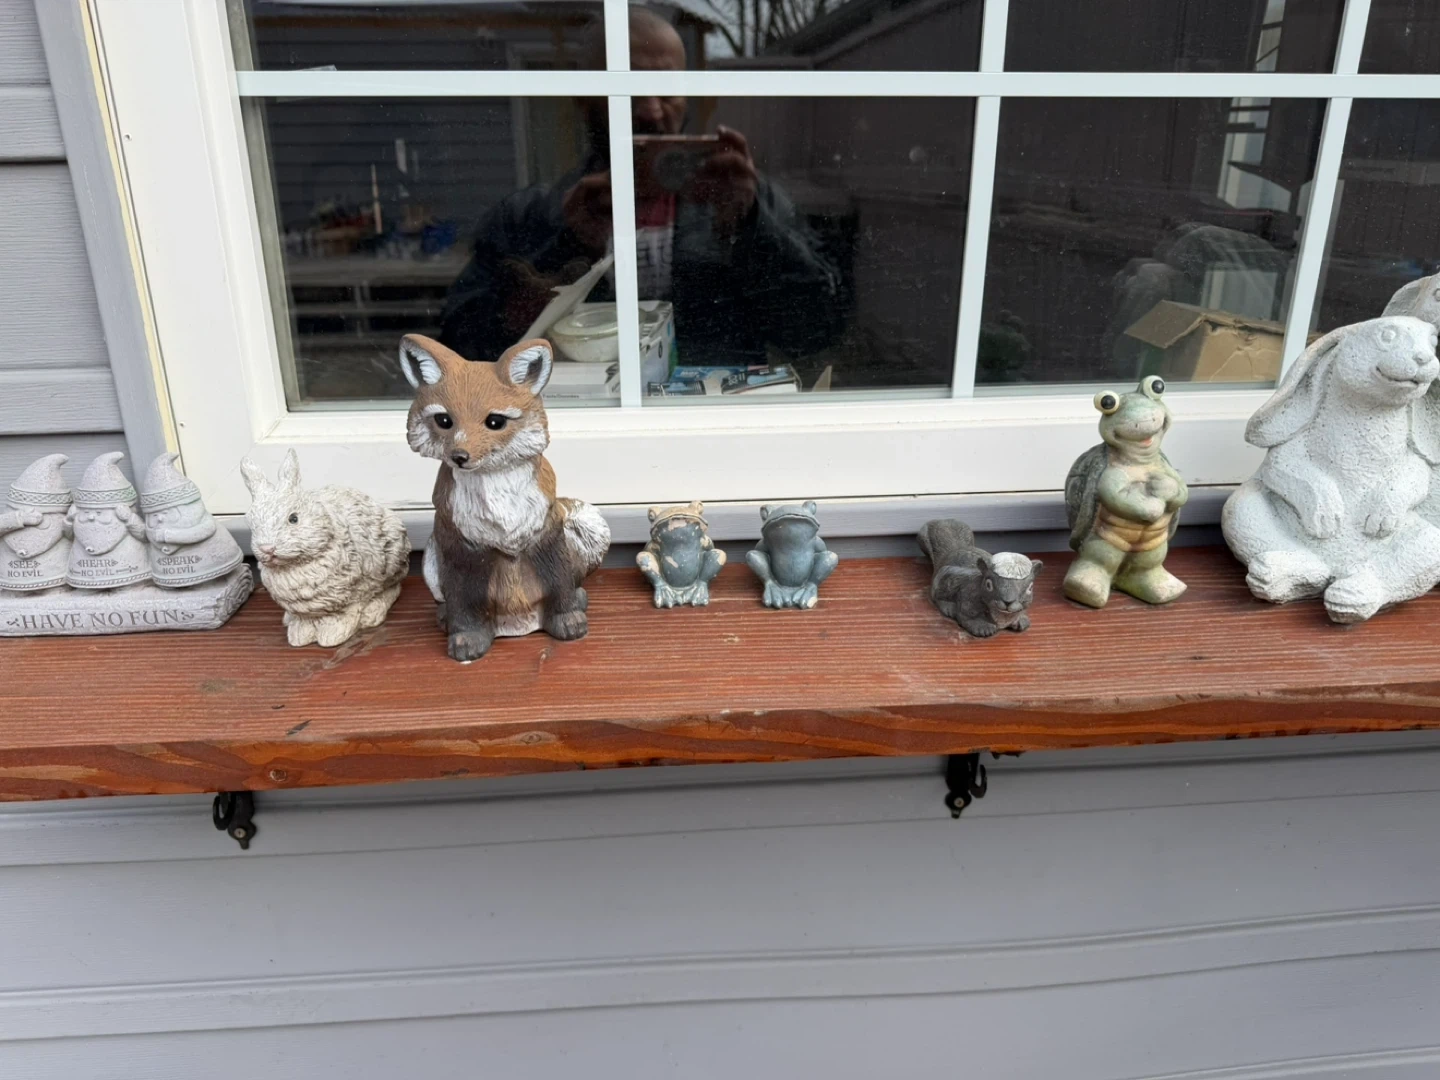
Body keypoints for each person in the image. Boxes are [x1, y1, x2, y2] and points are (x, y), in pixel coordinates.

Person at [438, 7, 841, 371]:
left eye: (668, 89)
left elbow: (816, 333)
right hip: (587, 420)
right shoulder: (530, 216)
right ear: (583, 99)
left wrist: (752, 227)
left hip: (711, 420)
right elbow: (463, 350)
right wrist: (567, 246)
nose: (651, 109)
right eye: (626, 87)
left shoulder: (743, 199)